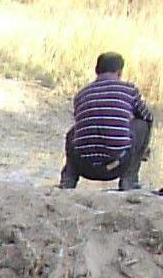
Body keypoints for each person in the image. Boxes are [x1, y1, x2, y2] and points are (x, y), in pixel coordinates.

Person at [59, 52, 154, 191]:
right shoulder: (128, 90)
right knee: (142, 124)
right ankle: (129, 179)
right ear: (119, 72)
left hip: (83, 166)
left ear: (96, 71)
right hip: (115, 166)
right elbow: (147, 116)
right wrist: (142, 148)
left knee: (74, 132)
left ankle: (68, 179)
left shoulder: (81, 94)